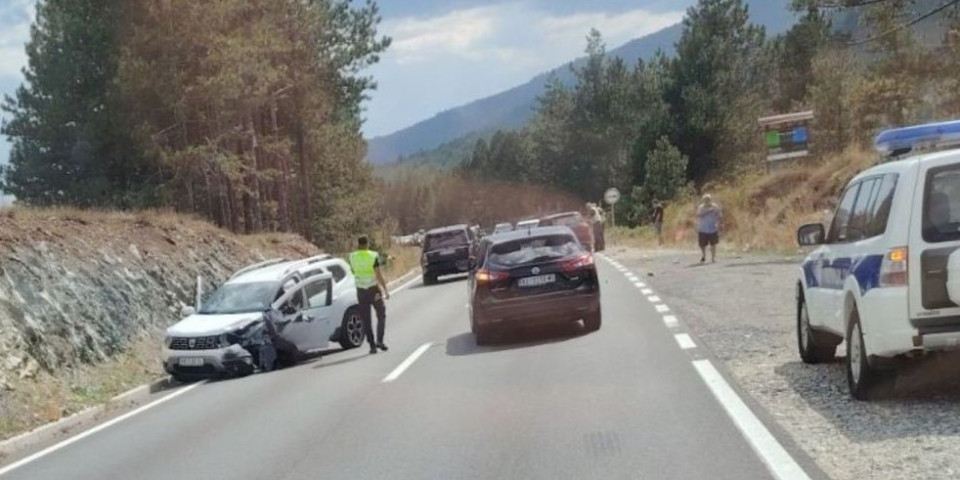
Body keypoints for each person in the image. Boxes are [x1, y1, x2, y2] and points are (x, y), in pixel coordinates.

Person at [348, 236, 390, 354]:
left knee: (366, 319)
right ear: (367, 244)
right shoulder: (373, 255)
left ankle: (372, 346)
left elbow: (352, 271)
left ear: (358, 244)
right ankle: (380, 341)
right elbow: (378, 274)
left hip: (361, 291)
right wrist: (385, 289)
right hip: (373, 290)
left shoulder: (352, 257)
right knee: (381, 314)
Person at [696, 194, 722, 263]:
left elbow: (719, 215)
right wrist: (708, 211)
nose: (707, 201)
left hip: (712, 228)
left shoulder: (715, 207)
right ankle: (703, 255)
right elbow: (699, 215)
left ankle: (713, 258)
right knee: (702, 244)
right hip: (703, 228)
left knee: (713, 244)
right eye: (705, 200)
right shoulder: (701, 207)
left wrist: (718, 222)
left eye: (708, 200)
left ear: (710, 200)